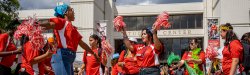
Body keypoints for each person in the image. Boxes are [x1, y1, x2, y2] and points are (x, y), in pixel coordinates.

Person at [40, 3, 98, 75]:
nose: (73, 12)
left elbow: (82, 43)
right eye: (71, 10)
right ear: (66, 12)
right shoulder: (62, 22)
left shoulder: (72, 28)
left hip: (68, 58)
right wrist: (37, 25)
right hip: (62, 56)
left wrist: (93, 53)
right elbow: (51, 24)